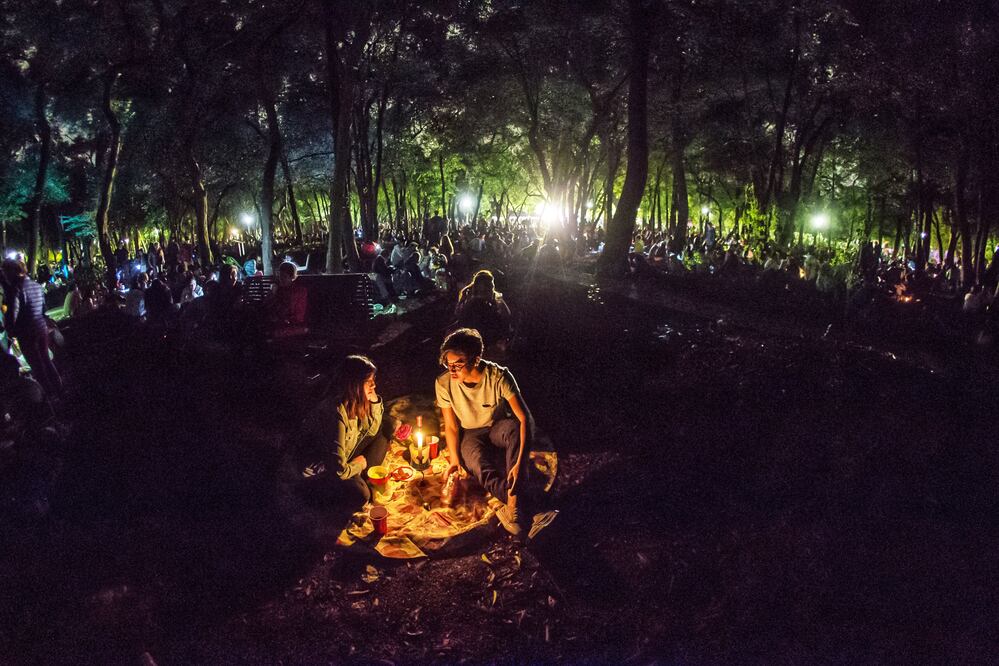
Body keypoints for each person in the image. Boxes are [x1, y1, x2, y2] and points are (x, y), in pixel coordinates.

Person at [436, 328, 532, 535]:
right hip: (471, 432)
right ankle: (517, 500)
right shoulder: (443, 383)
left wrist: (520, 462)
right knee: (477, 465)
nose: (451, 370)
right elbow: (451, 426)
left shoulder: (499, 376)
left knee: (515, 428)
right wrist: (454, 460)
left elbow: (525, 419)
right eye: (448, 364)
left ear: (476, 359)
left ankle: (514, 507)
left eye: (458, 364)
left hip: (497, 426)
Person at [305, 355, 392, 508]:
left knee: (383, 435)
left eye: (373, 380)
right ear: (354, 384)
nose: (374, 385)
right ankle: (352, 481)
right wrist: (358, 465)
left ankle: (360, 475)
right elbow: (337, 470)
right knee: (361, 495)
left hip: (346, 454)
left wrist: (375, 401)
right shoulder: (335, 412)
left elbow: (371, 431)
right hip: (324, 470)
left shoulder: (356, 401)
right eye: (369, 382)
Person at [1, 259, 62, 397]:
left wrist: (9, 328)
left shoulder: (16, 287)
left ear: (11, 272)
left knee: (37, 366)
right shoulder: (35, 285)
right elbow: (43, 309)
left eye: (5, 272)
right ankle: (59, 389)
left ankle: (49, 396)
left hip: (27, 332)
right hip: (41, 327)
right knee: (46, 360)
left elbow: (13, 313)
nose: (4, 276)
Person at [455, 270, 512, 349]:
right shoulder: (472, 304)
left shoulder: (495, 301)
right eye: (488, 287)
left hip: (491, 344)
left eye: (491, 286)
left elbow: (506, 317)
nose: (491, 289)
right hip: (476, 343)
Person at [265, 261, 308, 337]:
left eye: (284, 276)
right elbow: (267, 306)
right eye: (280, 276)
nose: (281, 279)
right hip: (278, 321)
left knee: (274, 332)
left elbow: (294, 313)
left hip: (294, 323)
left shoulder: (299, 291)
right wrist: (272, 294)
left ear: (292, 277)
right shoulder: (278, 289)